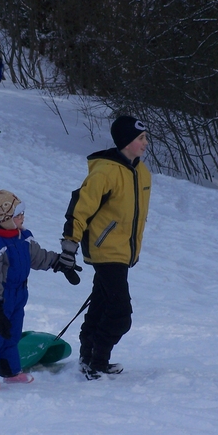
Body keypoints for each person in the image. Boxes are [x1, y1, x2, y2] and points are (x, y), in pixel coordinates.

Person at [57, 116, 151, 380]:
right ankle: (98, 361)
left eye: (145, 138)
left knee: (101, 303)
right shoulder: (105, 172)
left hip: (123, 252)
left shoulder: (142, 173)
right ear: (126, 142)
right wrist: (69, 246)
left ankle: (88, 356)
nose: (146, 143)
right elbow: (80, 208)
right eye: (140, 138)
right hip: (105, 250)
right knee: (121, 313)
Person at [0, 188, 80, 390]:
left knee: (13, 334)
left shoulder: (23, 238)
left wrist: (59, 263)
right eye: (18, 214)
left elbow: (38, 257)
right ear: (5, 217)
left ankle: (11, 371)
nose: (23, 217)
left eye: (22, 212)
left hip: (19, 295)